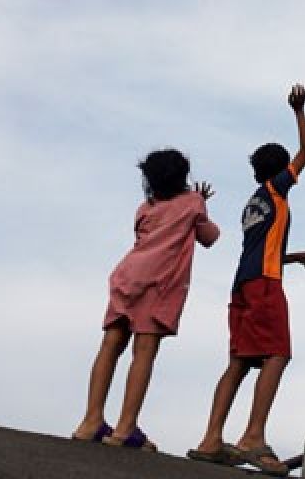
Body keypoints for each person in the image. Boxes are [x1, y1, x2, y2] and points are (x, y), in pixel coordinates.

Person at [188, 85, 305, 476]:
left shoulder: (253, 204)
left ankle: (211, 438)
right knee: (277, 354)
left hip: (242, 285)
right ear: (280, 171)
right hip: (264, 285)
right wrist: (299, 111)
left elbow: (265, 249)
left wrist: (299, 257)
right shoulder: (277, 188)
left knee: (240, 362)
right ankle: (253, 435)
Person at [73, 148, 220, 450]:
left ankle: (91, 421)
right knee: (143, 352)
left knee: (110, 346)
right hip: (158, 284)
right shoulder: (193, 203)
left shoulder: (144, 208)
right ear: (182, 177)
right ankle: (126, 428)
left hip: (126, 277)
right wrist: (202, 204)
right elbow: (210, 237)